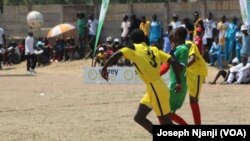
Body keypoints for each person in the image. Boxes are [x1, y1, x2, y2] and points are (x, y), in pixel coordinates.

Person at [101, 29, 183, 134]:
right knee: (139, 117)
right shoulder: (154, 49)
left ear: (132, 40)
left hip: (156, 89)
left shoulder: (133, 48)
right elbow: (172, 60)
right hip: (153, 89)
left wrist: (104, 69)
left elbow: (114, 55)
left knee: (167, 123)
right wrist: (179, 81)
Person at [168, 27, 189, 125]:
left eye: (175, 34)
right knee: (167, 113)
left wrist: (172, 54)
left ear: (178, 36)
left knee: (165, 112)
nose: (173, 36)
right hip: (174, 82)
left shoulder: (183, 49)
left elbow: (180, 68)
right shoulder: (178, 48)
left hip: (177, 83)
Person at [186, 40, 208, 125]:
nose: (172, 43)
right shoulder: (178, 47)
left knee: (193, 100)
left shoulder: (189, 44)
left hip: (197, 72)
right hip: (190, 72)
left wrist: (182, 67)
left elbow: (193, 59)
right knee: (192, 99)